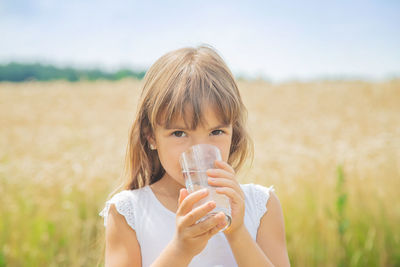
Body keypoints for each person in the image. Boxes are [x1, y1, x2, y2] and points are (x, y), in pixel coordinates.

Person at [99, 45, 290, 267]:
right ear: (151, 136)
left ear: (233, 132)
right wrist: (180, 250)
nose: (199, 151)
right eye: (179, 133)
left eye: (216, 132)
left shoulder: (261, 206)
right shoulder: (128, 212)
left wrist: (237, 233)